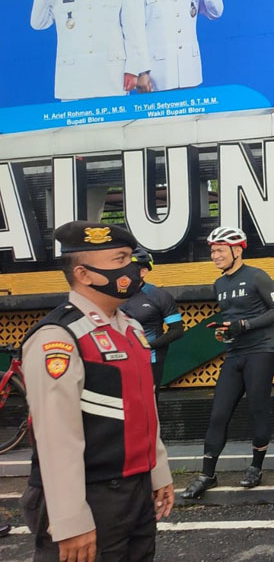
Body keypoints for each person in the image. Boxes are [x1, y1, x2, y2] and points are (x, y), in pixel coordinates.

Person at [19, 221, 174, 561]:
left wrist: (157, 471)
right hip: (90, 495)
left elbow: (143, 407)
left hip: (135, 490)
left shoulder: (130, 328)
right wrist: (70, 520)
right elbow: (56, 437)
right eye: (121, 259)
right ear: (84, 274)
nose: (133, 267)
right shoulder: (59, 337)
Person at [182, 226, 274, 498]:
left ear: (237, 250)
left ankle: (256, 467)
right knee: (219, 413)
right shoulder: (219, 284)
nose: (214, 256)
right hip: (234, 353)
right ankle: (207, 474)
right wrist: (225, 331)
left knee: (257, 409)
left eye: (220, 251)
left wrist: (245, 325)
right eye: (212, 251)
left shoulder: (257, 276)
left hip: (261, 351)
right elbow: (232, 319)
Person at [30, 0, 151, 100]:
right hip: (73, 79)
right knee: (75, 115)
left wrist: (132, 69)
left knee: (115, 115)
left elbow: (132, 31)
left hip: (112, 76)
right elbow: (38, 22)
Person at [120, 247, 184, 402]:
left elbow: (177, 330)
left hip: (150, 360)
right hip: (119, 359)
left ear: (143, 272)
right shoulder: (112, 295)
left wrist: (148, 346)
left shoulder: (159, 296)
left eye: (129, 268)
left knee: (148, 403)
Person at [140, 0, 223, 92]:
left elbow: (216, 12)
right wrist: (141, 71)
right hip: (157, 74)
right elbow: (135, 33)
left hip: (188, 70)